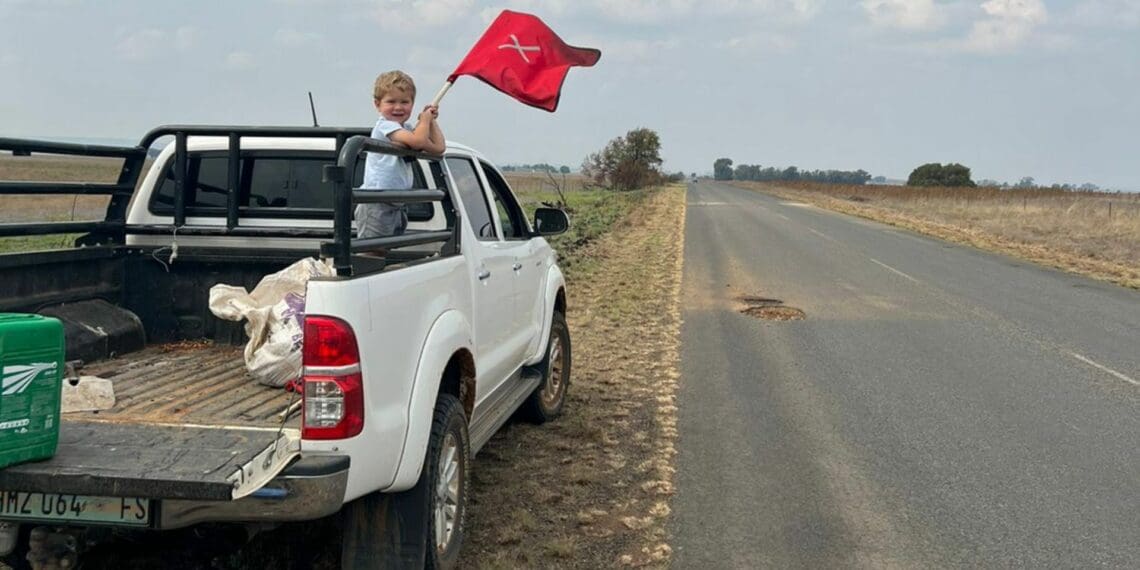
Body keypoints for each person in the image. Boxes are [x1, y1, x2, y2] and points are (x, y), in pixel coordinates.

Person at [357, 70, 446, 239]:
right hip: (377, 201)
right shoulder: (385, 126)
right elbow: (418, 142)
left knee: (383, 247)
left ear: (412, 104)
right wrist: (424, 120)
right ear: (377, 104)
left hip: (395, 201)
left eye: (405, 102)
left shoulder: (406, 130)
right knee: (371, 249)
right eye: (391, 101)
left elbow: (438, 147)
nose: (398, 107)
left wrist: (431, 121)